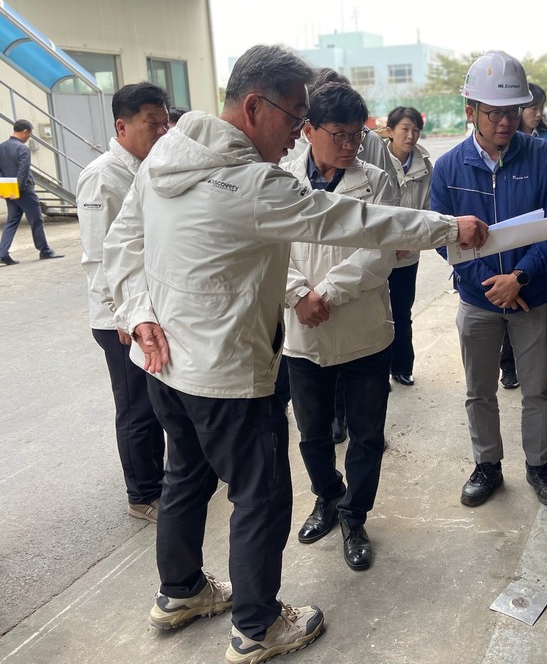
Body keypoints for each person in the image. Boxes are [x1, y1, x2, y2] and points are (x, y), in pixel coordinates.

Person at [102, 44, 487, 663]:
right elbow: (350, 220)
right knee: (261, 496)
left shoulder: (169, 154)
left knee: (186, 478)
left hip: (167, 367)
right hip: (228, 375)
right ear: (255, 107)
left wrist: (138, 311)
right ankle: (257, 628)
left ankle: (181, 592)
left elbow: (124, 240)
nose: (297, 132)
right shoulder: (253, 183)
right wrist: (447, 227)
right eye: (295, 115)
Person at [431, 50, 547, 508]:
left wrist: (520, 278)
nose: (505, 122)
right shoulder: (449, 167)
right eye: (493, 112)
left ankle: (538, 465)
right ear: (470, 110)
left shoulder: (544, 156)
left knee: (536, 390)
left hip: (533, 295)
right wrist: (492, 284)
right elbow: (443, 236)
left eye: (512, 111)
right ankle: (487, 464)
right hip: (478, 300)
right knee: (479, 391)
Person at [282, 82, 396, 572]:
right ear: (309, 130)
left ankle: (354, 515)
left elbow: (382, 251)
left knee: (367, 434)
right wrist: (296, 294)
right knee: (312, 432)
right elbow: (265, 247)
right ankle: (327, 496)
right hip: (302, 330)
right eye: (339, 135)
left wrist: (323, 294)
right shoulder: (280, 179)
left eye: (357, 135)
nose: (350, 146)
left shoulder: (378, 182)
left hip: (363, 330)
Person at [76, 82, 170, 523]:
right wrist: (123, 316)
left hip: (145, 307)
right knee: (137, 408)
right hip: (120, 317)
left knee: (157, 400)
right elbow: (98, 257)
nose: (162, 131)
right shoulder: (102, 176)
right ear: (122, 126)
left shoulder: (150, 168)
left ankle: (161, 480)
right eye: (153, 123)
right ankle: (143, 494)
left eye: (165, 122)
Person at [500, 82, 547, 390]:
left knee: (528, 307)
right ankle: (508, 366)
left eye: (541, 108)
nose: (538, 114)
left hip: (537, 245)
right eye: (533, 108)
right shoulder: (502, 145)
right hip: (506, 243)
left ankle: (527, 370)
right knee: (504, 305)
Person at [383, 106, 432, 387]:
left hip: (407, 255)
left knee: (402, 312)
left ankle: (402, 367)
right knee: (377, 314)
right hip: (377, 252)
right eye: (405, 129)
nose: (411, 136)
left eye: (416, 130)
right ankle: (378, 371)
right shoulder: (375, 160)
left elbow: (427, 211)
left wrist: (410, 243)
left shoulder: (425, 167)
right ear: (390, 131)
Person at [0, 120, 64, 265]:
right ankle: (44, 250)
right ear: (25, 132)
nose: (29, 137)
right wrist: (17, 190)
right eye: (29, 134)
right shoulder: (22, 149)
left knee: (11, 221)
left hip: (9, 191)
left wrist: (4, 190)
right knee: (36, 220)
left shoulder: (1, 147)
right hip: (24, 191)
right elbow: (22, 172)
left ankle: (2, 253)